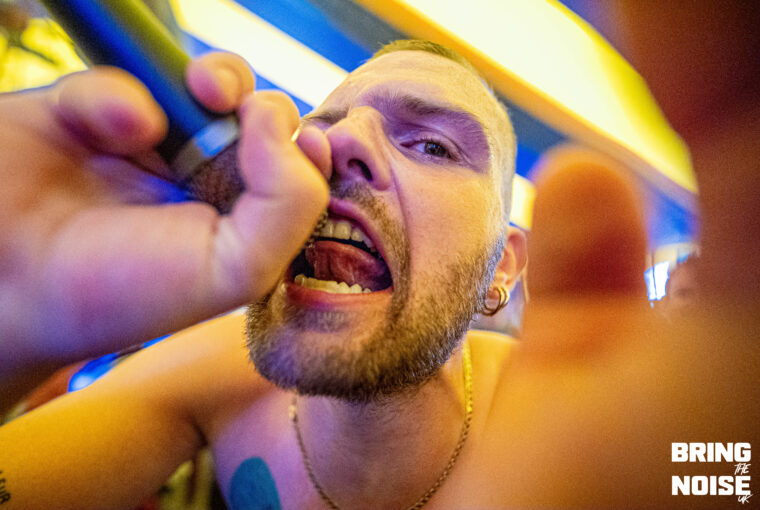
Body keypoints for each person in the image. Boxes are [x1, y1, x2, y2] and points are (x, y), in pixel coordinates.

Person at [1, 1, 759, 506]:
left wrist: (725, 462)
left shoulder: (563, 417)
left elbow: (725, 473)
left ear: (502, 268)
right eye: (326, 125)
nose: (338, 147)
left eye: (431, 145)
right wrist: (14, 325)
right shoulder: (215, 372)